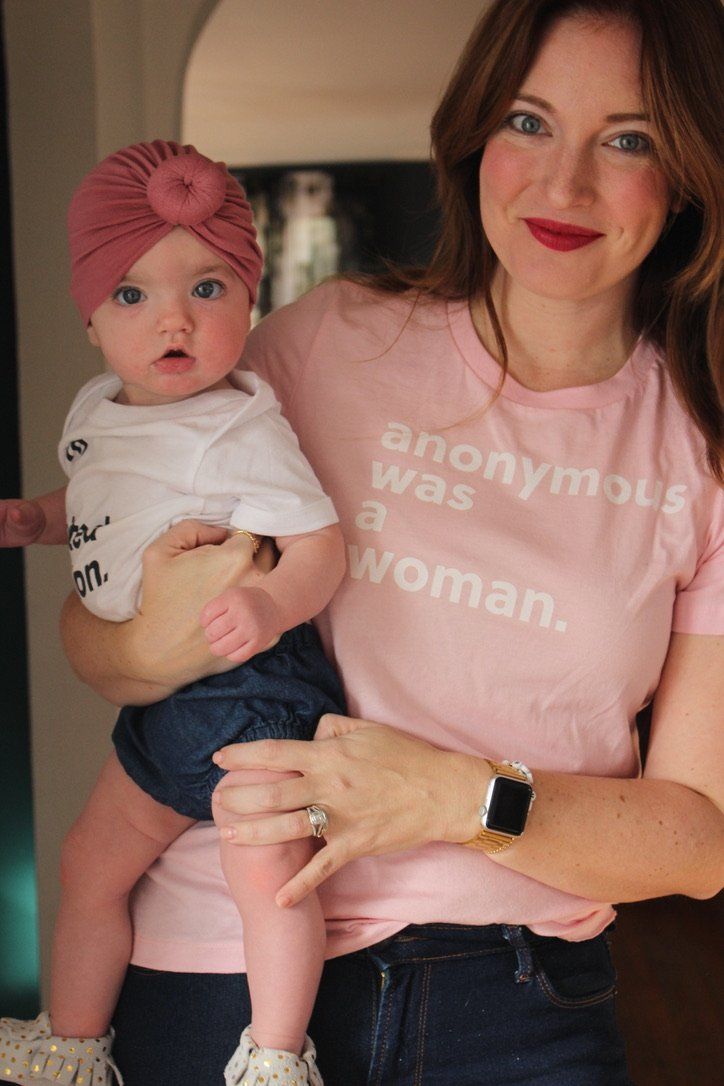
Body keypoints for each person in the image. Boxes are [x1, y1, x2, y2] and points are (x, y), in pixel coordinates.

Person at [3, 0, 723, 1082]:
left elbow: (695, 842)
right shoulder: (323, 343)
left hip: (513, 1003)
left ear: (687, 172)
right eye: (528, 122)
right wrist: (149, 642)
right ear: (476, 133)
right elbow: (96, 637)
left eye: (627, 138)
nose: (562, 184)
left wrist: (455, 796)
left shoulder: (700, 451)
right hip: (221, 976)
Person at [0, 141, 347, 1086]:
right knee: (88, 861)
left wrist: (269, 601)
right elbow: (102, 494)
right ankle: (73, 1041)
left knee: (265, 875)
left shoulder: (240, 428)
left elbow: (320, 545)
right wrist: (40, 519)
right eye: (131, 295)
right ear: (90, 319)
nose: (172, 323)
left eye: (207, 289)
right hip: (164, 700)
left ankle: (277, 1053)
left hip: (251, 687)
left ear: (249, 303)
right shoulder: (98, 411)